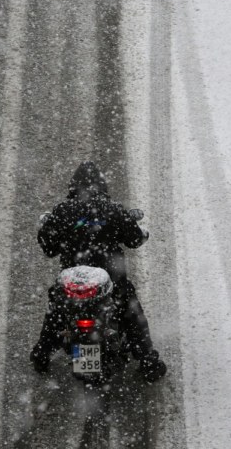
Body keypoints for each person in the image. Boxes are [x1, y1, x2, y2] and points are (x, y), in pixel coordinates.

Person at [30, 161, 167, 382]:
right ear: (102, 185)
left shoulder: (63, 211)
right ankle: (148, 360)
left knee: (56, 309)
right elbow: (134, 239)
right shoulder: (113, 210)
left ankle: (42, 353)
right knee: (131, 310)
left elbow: (48, 246)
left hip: (72, 285)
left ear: (73, 186)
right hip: (109, 282)